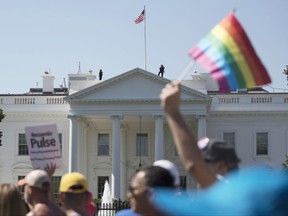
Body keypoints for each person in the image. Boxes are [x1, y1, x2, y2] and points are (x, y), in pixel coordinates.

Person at [160, 81, 241, 188]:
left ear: (221, 166)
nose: (200, 167)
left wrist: (172, 111)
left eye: (204, 162)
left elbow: (193, 166)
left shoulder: (226, 194)